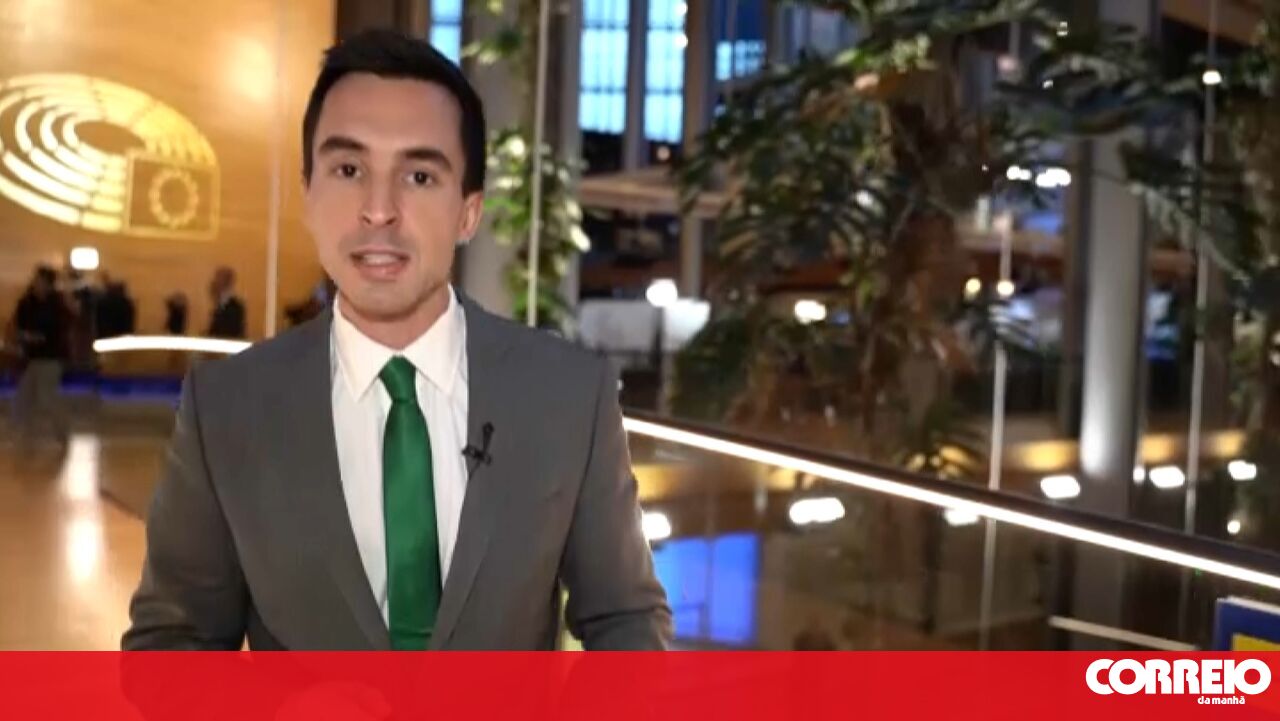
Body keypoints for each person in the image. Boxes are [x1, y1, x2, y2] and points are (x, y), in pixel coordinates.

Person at [123, 29, 671, 651]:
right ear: (308, 194)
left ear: (468, 212)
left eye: (419, 176)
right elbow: (170, 646)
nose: (378, 210)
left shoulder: (567, 395)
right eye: (348, 169)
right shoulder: (225, 407)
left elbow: (627, 622)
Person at [11, 265, 71, 446]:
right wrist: (23, 339)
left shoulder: (56, 305)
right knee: (24, 397)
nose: (36, 283)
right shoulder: (28, 302)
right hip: (34, 357)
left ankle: (62, 432)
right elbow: (20, 325)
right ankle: (19, 434)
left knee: (46, 396)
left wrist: (36, 337)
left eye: (40, 280)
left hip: (51, 357)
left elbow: (56, 331)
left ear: (48, 284)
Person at [206, 266, 246, 338]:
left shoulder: (234, 308)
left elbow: (227, 334)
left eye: (218, 278)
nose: (214, 282)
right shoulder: (220, 306)